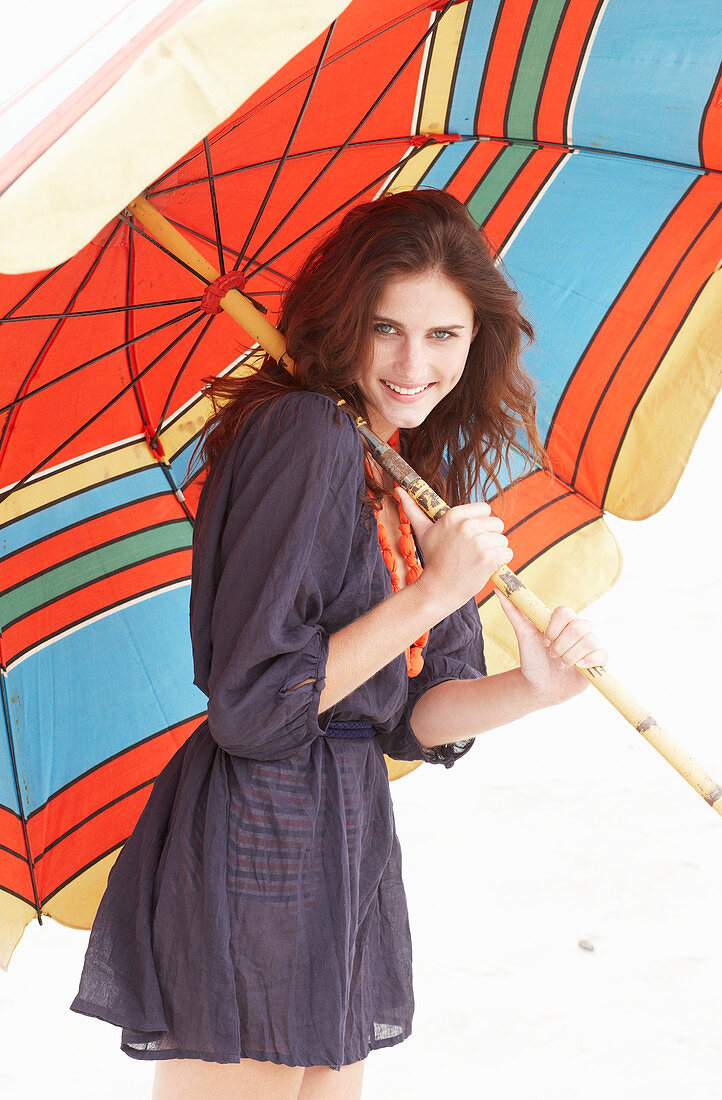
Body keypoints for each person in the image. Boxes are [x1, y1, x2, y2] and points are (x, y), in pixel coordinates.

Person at [70, 189, 607, 1099]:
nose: (412, 362)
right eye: (386, 328)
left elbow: (405, 719)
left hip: (346, 828)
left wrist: (535, 688)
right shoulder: (306, 433)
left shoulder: (407, 469)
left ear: (479, 338)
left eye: (443, 336)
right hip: (259, 829)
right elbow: (253, 704)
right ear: (344, 321)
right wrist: (436, 591)